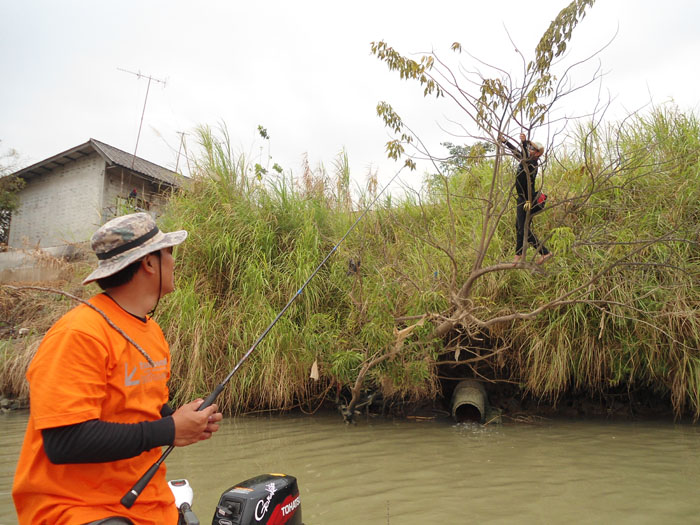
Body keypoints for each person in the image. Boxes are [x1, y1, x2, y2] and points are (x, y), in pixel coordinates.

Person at [12, 212, 223, 525]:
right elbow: (64, 441)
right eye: (168, 252)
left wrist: (183, 420)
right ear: (149, 264)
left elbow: (141, 410)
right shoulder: (79, 333)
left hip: (149, 504)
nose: (174, 262)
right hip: (78, 510)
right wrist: (169, 429)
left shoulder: (152, 332)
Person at [500, 132, 553, 264]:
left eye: (532, 149)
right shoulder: (525, 160)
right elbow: (517, 152)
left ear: (537, 153)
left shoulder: (532, 163)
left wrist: (524, 143)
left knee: (522, 229)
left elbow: (522, 154)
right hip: (522, 199)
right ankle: (518, 256)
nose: (529, 149)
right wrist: (505, 141)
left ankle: (544, 252)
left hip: (527, 200)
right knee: (519, 227)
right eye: (529, 147)